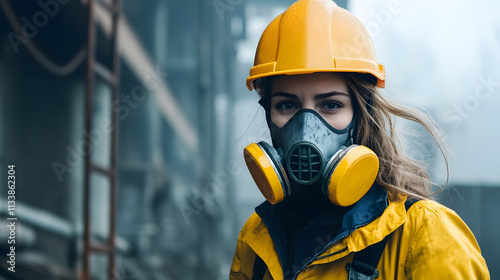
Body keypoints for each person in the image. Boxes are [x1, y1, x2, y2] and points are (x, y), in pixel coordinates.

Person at [229, 0, 490, 279]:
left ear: (361, 113)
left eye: (330, 105)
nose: (306, 129)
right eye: (287, 106)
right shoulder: (256, 238)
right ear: (268, 114)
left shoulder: (425, 234)